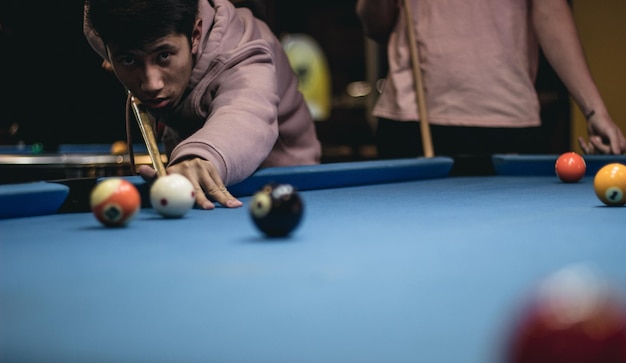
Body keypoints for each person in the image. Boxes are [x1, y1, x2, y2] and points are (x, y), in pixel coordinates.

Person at [84, 0, 321, 210]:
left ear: (195, 35)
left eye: (163, 56)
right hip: (196, 184)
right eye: (129, 59)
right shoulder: (104, 28)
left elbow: (246, 115)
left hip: (282, 186)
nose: (151, 84)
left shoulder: (243, 52)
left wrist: (199, 157)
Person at [355, 0, 625, 160]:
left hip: (507, 115)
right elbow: (374, 26)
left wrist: (593, 111)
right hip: (412, 117)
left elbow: (550, 9)